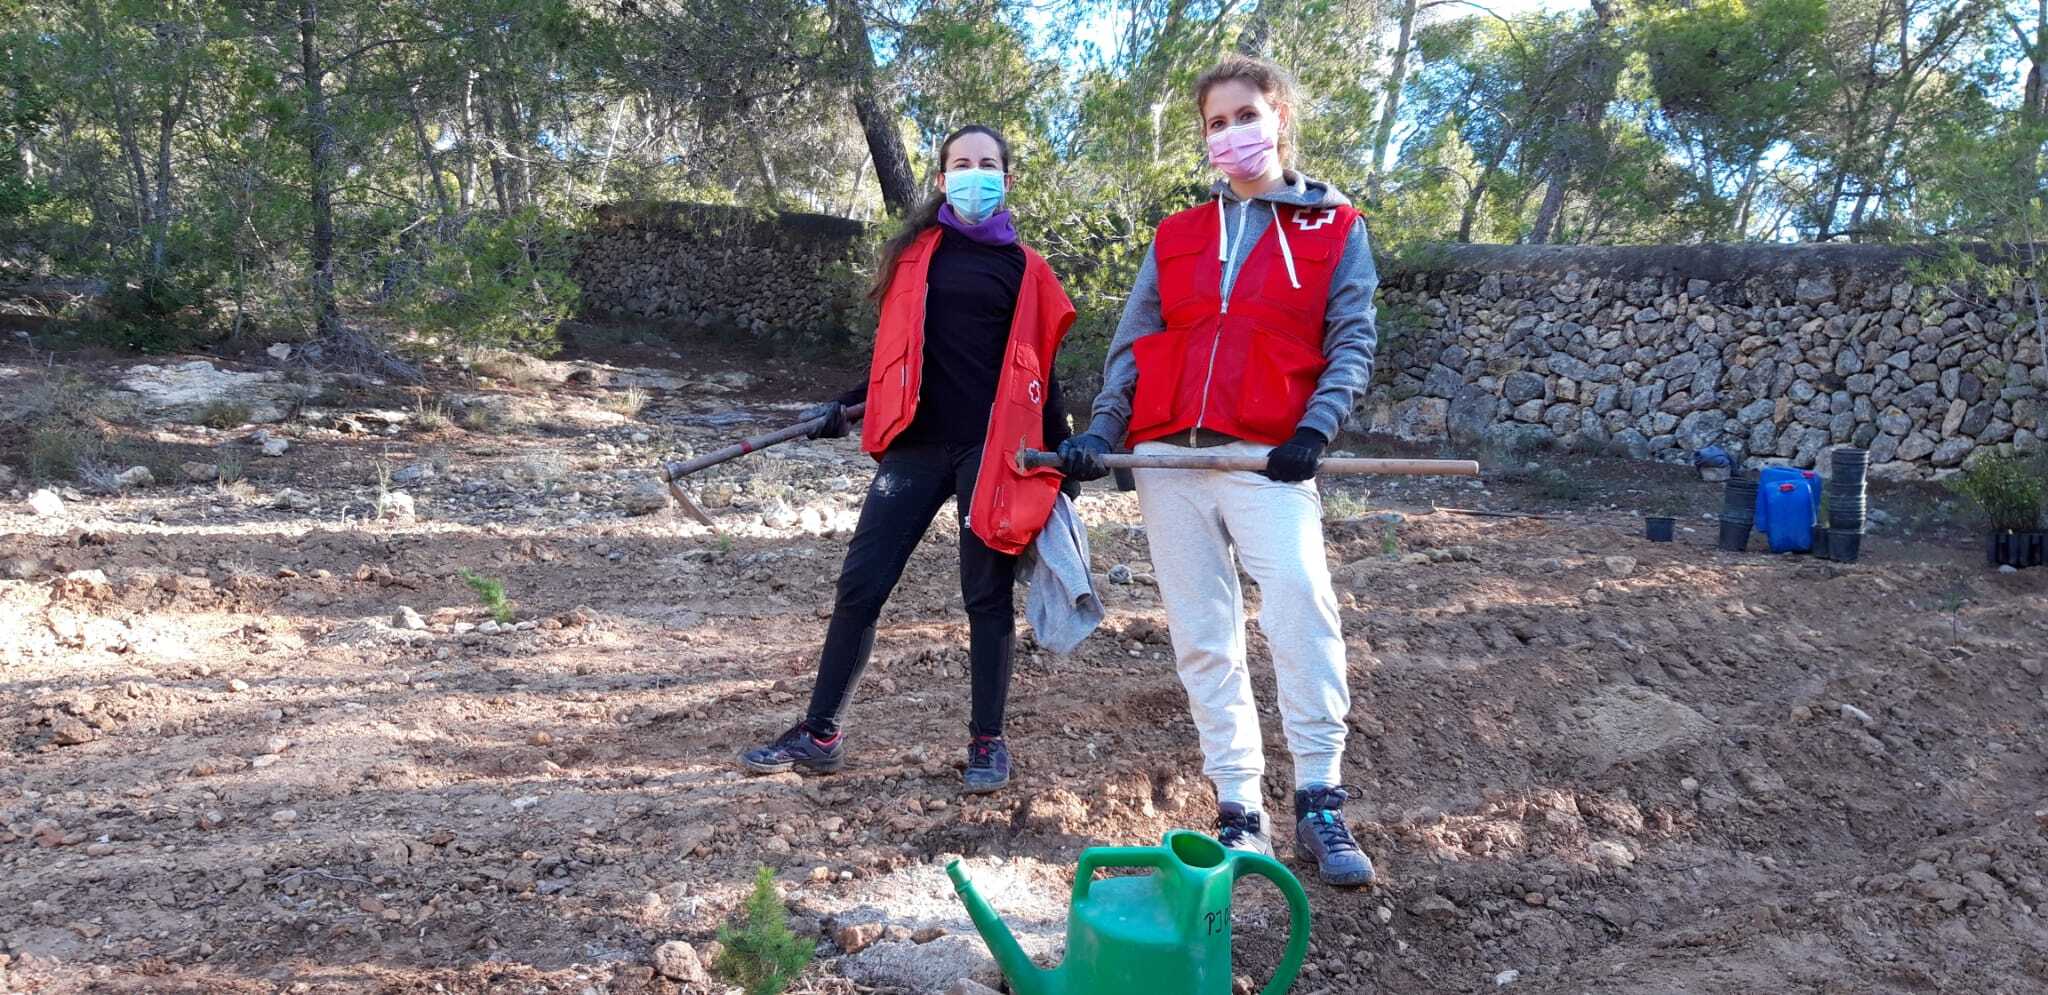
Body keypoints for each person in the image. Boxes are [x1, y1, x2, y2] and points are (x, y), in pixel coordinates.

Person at [1058, 55, 1378, 885]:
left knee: (1303, 613)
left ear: (1279, 114)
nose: (1232, 132)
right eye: (1216, 122)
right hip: (1168, 455)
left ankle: (1321, 801)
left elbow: (1352, 340)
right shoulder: (1177, 236)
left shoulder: (1334, 226)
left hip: (1269, 458)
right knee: (1206, 635)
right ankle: (1240, 809)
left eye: (1246, 114)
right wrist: (1103, 430)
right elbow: (1133, 342)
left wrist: (1317, 426)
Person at [740, 124, 1077, 795]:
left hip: (993, 446)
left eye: (987, 164)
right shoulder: (917, 254)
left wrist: (1063, 446)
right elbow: (897, 353)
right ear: (941, 177)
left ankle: (988, 740)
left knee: (984, 594)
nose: (974, 173)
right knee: (862, 583)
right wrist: (847, 403)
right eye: (961, 163)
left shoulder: (1026, 268)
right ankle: (821, 732)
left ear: (1006, 180)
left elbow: (1042, 364)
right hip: (917, 443)